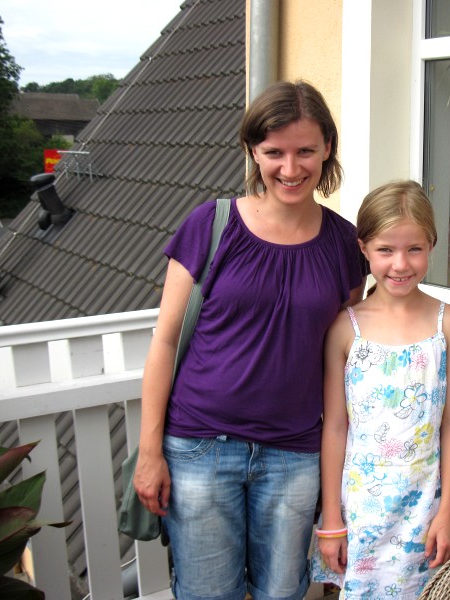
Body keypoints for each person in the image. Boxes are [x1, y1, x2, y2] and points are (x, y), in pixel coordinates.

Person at [132, 80, 367, 600]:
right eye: (274, 152)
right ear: (253, 151)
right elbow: (164, 342)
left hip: (295, 453)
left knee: (282, 593)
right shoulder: (210, 224)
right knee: (207, 593)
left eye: (305, 151)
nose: (290, 167)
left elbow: (346, 348)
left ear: (327, 148)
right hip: (199, 447)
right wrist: (150, 450)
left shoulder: (344, 243)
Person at [311, 180, 450, 599]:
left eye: (414, 249)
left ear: (432, 245)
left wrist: (448, 511)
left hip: (426, 510)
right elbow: (335, 427)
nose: (400, 264)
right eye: (385, 250)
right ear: (363, 248)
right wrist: (332, 519)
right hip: (362, 512)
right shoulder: (345, 327)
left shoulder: (449, 323)